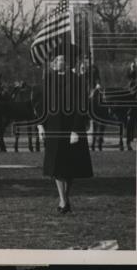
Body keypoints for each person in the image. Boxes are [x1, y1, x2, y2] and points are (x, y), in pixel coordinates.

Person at [38, 44, 93, 214]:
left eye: (63, 59)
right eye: (58, 59)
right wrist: (40, 126)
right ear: (54, 63)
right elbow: (43, 105)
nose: (61, 62)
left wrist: (76, 130)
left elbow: (81, 106)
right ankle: (63, 200)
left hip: (72, 127)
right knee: (56, 167)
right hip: (53, 127)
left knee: (71, 168)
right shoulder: (48, 79)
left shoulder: (77, 80)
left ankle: (65, 198)